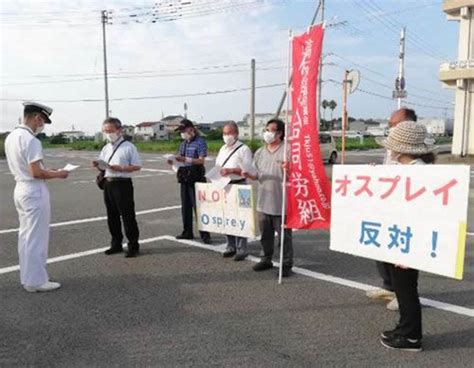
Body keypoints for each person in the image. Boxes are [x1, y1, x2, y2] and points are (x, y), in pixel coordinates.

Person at [378, 120, 436, 352]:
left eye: (391, 146)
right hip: (400, 237)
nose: (388, 149)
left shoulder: (418, 173)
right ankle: (404, 328)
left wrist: (411, 249)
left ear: (400, 148)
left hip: (408, 240)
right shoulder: (406, 169)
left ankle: (411, 337)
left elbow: (424, 213)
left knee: (406, 289)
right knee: (403, 290)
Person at [4, 102, 69, 292]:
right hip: (33, 190)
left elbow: (31, 169)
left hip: (21, 188)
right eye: (43, 122)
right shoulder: (31, 140)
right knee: (36, 238)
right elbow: (35, 172)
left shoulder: (12, 137)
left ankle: (28, 277)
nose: (42, 126)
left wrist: (48, 171)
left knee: (25, 236)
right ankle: (36, 281)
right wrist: (59, 174)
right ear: (37, 118)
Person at [367, 108, 418, 312]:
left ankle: (403, 294)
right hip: (387, 206)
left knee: (401, 255)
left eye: (394, 125)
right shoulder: (392, 147)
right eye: (390, 125)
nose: (391, 128)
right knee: (381, 247)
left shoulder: (415, 147)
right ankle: (390, 286)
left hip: (404, 210)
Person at [243, 119, 293, 277]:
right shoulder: (259, 152)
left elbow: (298, 174)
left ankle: (286, 264)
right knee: (265, 234)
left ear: (280, 133)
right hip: (264, 200)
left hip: (282, 202)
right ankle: (266, 258)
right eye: (266, 129)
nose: (267, 133)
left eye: (271, 130)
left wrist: (290, 169)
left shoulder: (288, 150)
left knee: (284, 237)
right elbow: (257, 174)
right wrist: (248, 174)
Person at [93, 117, 142, 258]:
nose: (108, 134)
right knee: (112, 216)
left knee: (127, 216)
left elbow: (137, 166)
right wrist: (98, 165)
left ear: (119, 130)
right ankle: (116, 244)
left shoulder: (129, 147)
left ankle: (133, 245)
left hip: (122, 184)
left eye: (110, 130)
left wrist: (120, 168)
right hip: (108, 182)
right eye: (105, 131)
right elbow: (103, 165)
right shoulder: (106, 147)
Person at [168, 119, 211, 244]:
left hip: (196, 176)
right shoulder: (183, 144)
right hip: (185, 177)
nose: (182, 133)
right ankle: (187, 231)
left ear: (191, 129)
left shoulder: (200, 142)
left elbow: (201, 160)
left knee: (200, 207)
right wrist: (173, 161)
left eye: (183, 130)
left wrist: (186, 159)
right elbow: (180, 159)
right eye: (180, 131)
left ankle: (205, 234)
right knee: (185, 207)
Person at [216, 122, 253, 261]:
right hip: (225, 185)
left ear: (237, 133)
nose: (227, 136)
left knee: (241, 217)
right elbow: (218, 166)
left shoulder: (244, 149)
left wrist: (231, 170)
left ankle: (242, 248)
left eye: (230, 133)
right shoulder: (223, 149)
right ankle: (230, 245)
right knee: (228, 216)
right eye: (225, 133)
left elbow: (248, 171)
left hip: (239, 185)